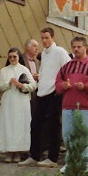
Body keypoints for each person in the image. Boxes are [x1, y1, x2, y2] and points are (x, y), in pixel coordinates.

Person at [21, 28, 70, 167]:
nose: (44, 40)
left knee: (54, 125)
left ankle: (52, 158)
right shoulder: (44, 54)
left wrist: (62, 85)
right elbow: (44, 72)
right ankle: (34, 155)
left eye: (46, 38)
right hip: (41, 92)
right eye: (42, 38)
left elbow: (68, 68)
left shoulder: (60, 51)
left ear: (53, 37)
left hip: (54, 92)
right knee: (35, 124)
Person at [55, 36, 88, 163]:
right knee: (67, 136)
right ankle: (70, 163)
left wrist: (85, 86)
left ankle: (84, 163)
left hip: (85, 107)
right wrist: (63, 86)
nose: (76, 49)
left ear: (85, 47)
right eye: (74, 47)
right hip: (68, 106)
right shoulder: (66, 66)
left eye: (79, 47)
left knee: (84, 137)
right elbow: (57, 82)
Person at [0, 47, 36, 163]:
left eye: (14, 56)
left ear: (19, 57)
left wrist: (22, 86)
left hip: (21, 102)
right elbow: (0, 86)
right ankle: (8, 152)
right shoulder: (4, 70)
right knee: (8, 126)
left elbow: (33, 85)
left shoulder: (25, 70)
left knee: (19, 126)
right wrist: (9, 83)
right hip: (8, 103)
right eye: (10, 57)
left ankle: (18, 152)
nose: (12, 58)